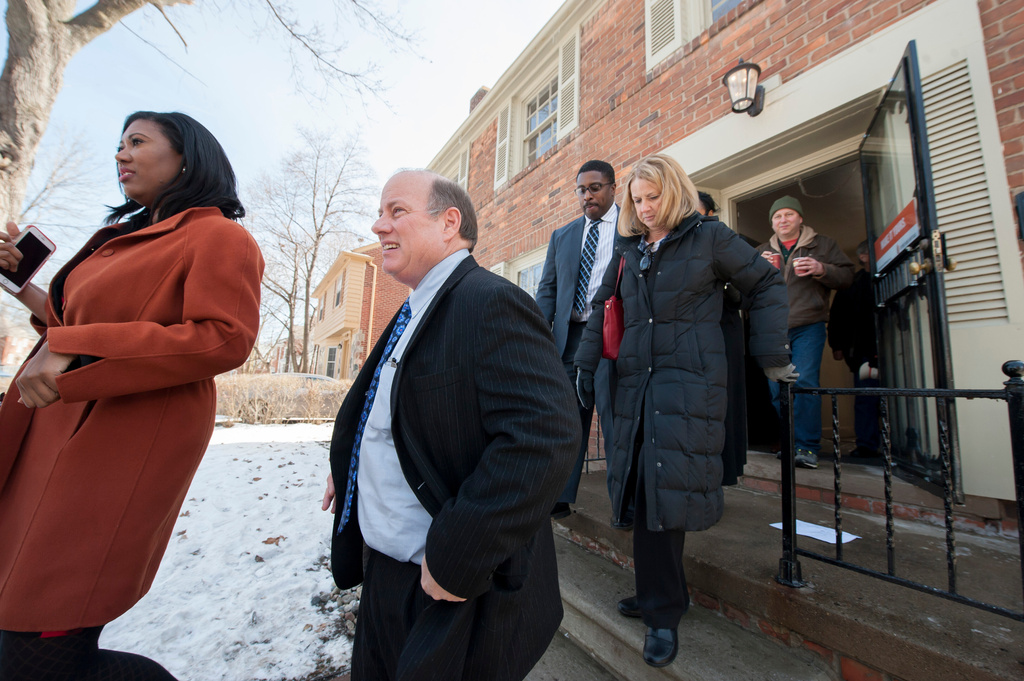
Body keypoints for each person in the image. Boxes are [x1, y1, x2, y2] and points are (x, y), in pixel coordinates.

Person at [0, 111, 264, 680]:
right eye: (118, 144)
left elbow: (224, 338)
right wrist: (22, 284)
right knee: (17, 629)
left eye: (137, 142)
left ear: (187, 157)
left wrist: (71, 340)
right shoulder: (124, 239)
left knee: (37, 645)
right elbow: (72, 324)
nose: (120, 154)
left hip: (113, 447)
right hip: (49, 435)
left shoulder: (220, 235)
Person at [321, 170, 579, 681]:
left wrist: (459, 556)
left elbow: (544, 438)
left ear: (449, 223)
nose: (378, 226)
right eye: (380, 212)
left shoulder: (490, 301)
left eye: (396, 211)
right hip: (386, 575)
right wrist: (352, 463)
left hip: (447, 589)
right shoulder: (413, 309)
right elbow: (399, 415)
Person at [574, 155, 793, 668]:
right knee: (638, 486)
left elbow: (764, 284)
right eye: (638, 200)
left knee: (660, 491)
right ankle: (660, 591)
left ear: (673, 192)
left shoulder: (710, 238)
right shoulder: (628, 249)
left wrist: (772, 356)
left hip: (687, 384)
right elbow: (603, 304)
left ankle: (663, 612)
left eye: (653, 197)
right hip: (634, 384)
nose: (646, 209)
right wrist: (585, 368)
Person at [536, 160, 619, 520]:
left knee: (617, 418)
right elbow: (548, 292)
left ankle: (624, 501)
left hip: (615, 335)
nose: (588, 196)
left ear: (613, 187)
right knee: (568, 420)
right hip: (570, 339)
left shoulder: (630, 228)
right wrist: (537, 336)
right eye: (582, 190)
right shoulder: (563, 235)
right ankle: (559, 496)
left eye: (595, 188)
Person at [758, 196, 853, 469]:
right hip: (773, 329)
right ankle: (790, 442)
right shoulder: (762, 250)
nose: (783, 220)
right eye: (777, 216)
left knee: (805, 383)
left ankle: (807, 447)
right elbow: (743, 290)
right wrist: (757, 271)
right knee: (777, 389)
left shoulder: (822, 245)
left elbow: (847, 277)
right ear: (772, 222)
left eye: (789, 214)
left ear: (800, 218)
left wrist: (821, 268)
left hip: (808, 325)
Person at [697, 191, 748, 486]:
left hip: (723, 334)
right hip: (692, 337)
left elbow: (744, 296)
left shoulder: (729, 241)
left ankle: (722, 476)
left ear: (710, 213)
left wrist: (722, 279)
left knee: (723, 405)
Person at [828, 240, 880, 458]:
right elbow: (837, 316)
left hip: (895, 350)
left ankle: (906, 446)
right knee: (866, 398)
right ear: (863, 257)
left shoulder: (890, 278)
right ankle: (867, 445)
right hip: (863, 352)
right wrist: (837, 345)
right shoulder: (853, 284)